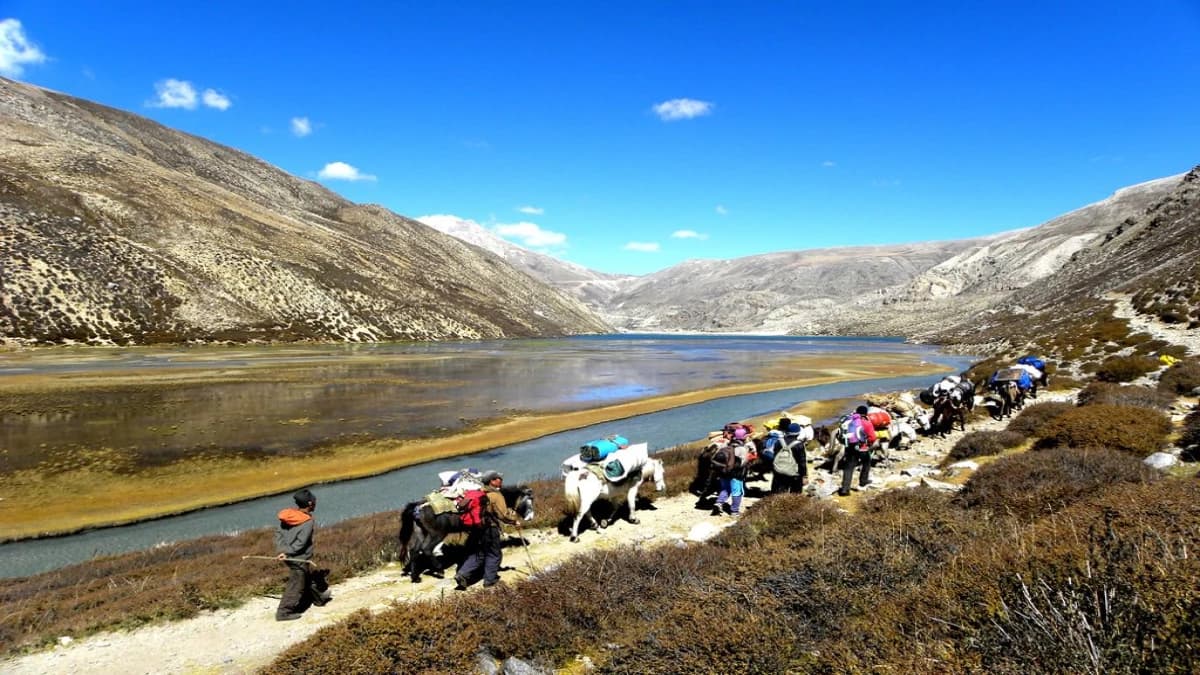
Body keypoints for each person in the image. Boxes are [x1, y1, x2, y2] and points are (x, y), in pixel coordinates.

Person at [455, 470, 520, 589]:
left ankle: (462, 574)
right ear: (492, 481)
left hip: (476, 528)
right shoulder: (495, 495)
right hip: (490, 529)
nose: (501, 480)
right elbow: (503, 515)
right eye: (499, 478)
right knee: (494, 554)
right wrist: (514, 521)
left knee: (478, 554)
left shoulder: (478, 492)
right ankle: (490, 581)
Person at [274, 488, 331, 621]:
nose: (316, 503)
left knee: (305, 577)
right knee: (296, 585)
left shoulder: (288, 516)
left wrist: (282, 550)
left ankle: (319, 599)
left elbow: (278, 534)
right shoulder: (307, 521)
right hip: (299, 557)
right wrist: (288, 552)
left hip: (287, 554)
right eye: (315, 501)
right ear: (310, 504)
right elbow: (301, 543)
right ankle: (283, 612)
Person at [837, 406, 878, 497]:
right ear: (866, 413)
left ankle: (845, 489)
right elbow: (873, 437)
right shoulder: (867, 423)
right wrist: (867, 443)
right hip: (862, 448)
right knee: (866, 463)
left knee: (848, 468)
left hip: (850, 448)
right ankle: (863, 482)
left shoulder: (848, 422)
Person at [712, 426, 749, 516]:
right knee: (737, 492)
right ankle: (734, 511)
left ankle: (719, 503)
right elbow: (743, 463)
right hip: (736, 474)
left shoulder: (726, 445)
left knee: (725, 489)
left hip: (724, 472)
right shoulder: (742, 448)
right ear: (743, 437)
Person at [771, 422, 809, 494]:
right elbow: (802, 462)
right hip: (794, 473)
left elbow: (775, 456)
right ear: (798, 433)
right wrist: (804, 476)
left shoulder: (779, 442)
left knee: (779, 493)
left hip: (779, 471)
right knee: (795, 494)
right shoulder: (799, 444)